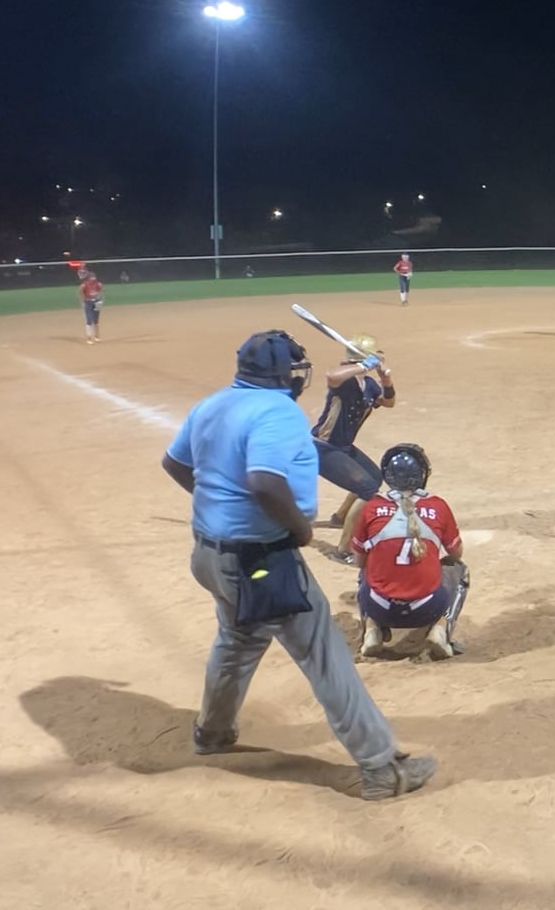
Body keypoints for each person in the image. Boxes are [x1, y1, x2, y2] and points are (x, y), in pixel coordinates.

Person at [160, 329, 435, 799]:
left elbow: (175, 464)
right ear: (284, 375)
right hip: (260, 561)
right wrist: (299, 530)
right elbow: (265, 482)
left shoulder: (212, 404)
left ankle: (213, 732)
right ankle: (381, 768)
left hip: (210, 555)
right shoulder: (278, 411)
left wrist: (221, 506)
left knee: (239, 638)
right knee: (325, 655)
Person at [346, 443, 469, 662]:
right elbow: (456, 553)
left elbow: (358, 561)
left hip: (379, 607)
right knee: (460, 570)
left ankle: (372, 630)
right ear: (421, 476)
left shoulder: (372, 506)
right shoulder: (438, 506)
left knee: (365, 569)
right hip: (426, 608)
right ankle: (440, 631)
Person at [314, 335, 396, 533]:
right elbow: (332, 376)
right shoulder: (344, 381)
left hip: (343, 447)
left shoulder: (368, 384)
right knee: (367, 489)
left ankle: (341, 517)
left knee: (374, 478)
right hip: (323, 448)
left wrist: (386, 381)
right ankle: (345, 546)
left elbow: (388, 402)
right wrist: (365, 365)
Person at [78, 268, 104, 344]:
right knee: (89, 320)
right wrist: (83, 301)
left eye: (94, 276)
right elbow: (80, 292)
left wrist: (100, 298)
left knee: (96, 321)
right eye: (92, 277)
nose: (93, 278)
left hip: (96, 302)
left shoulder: (98, 284)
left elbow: (101, 291)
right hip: (88, 303)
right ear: (88, 278)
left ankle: (97, 337)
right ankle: (89, 338)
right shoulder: (84, 285)